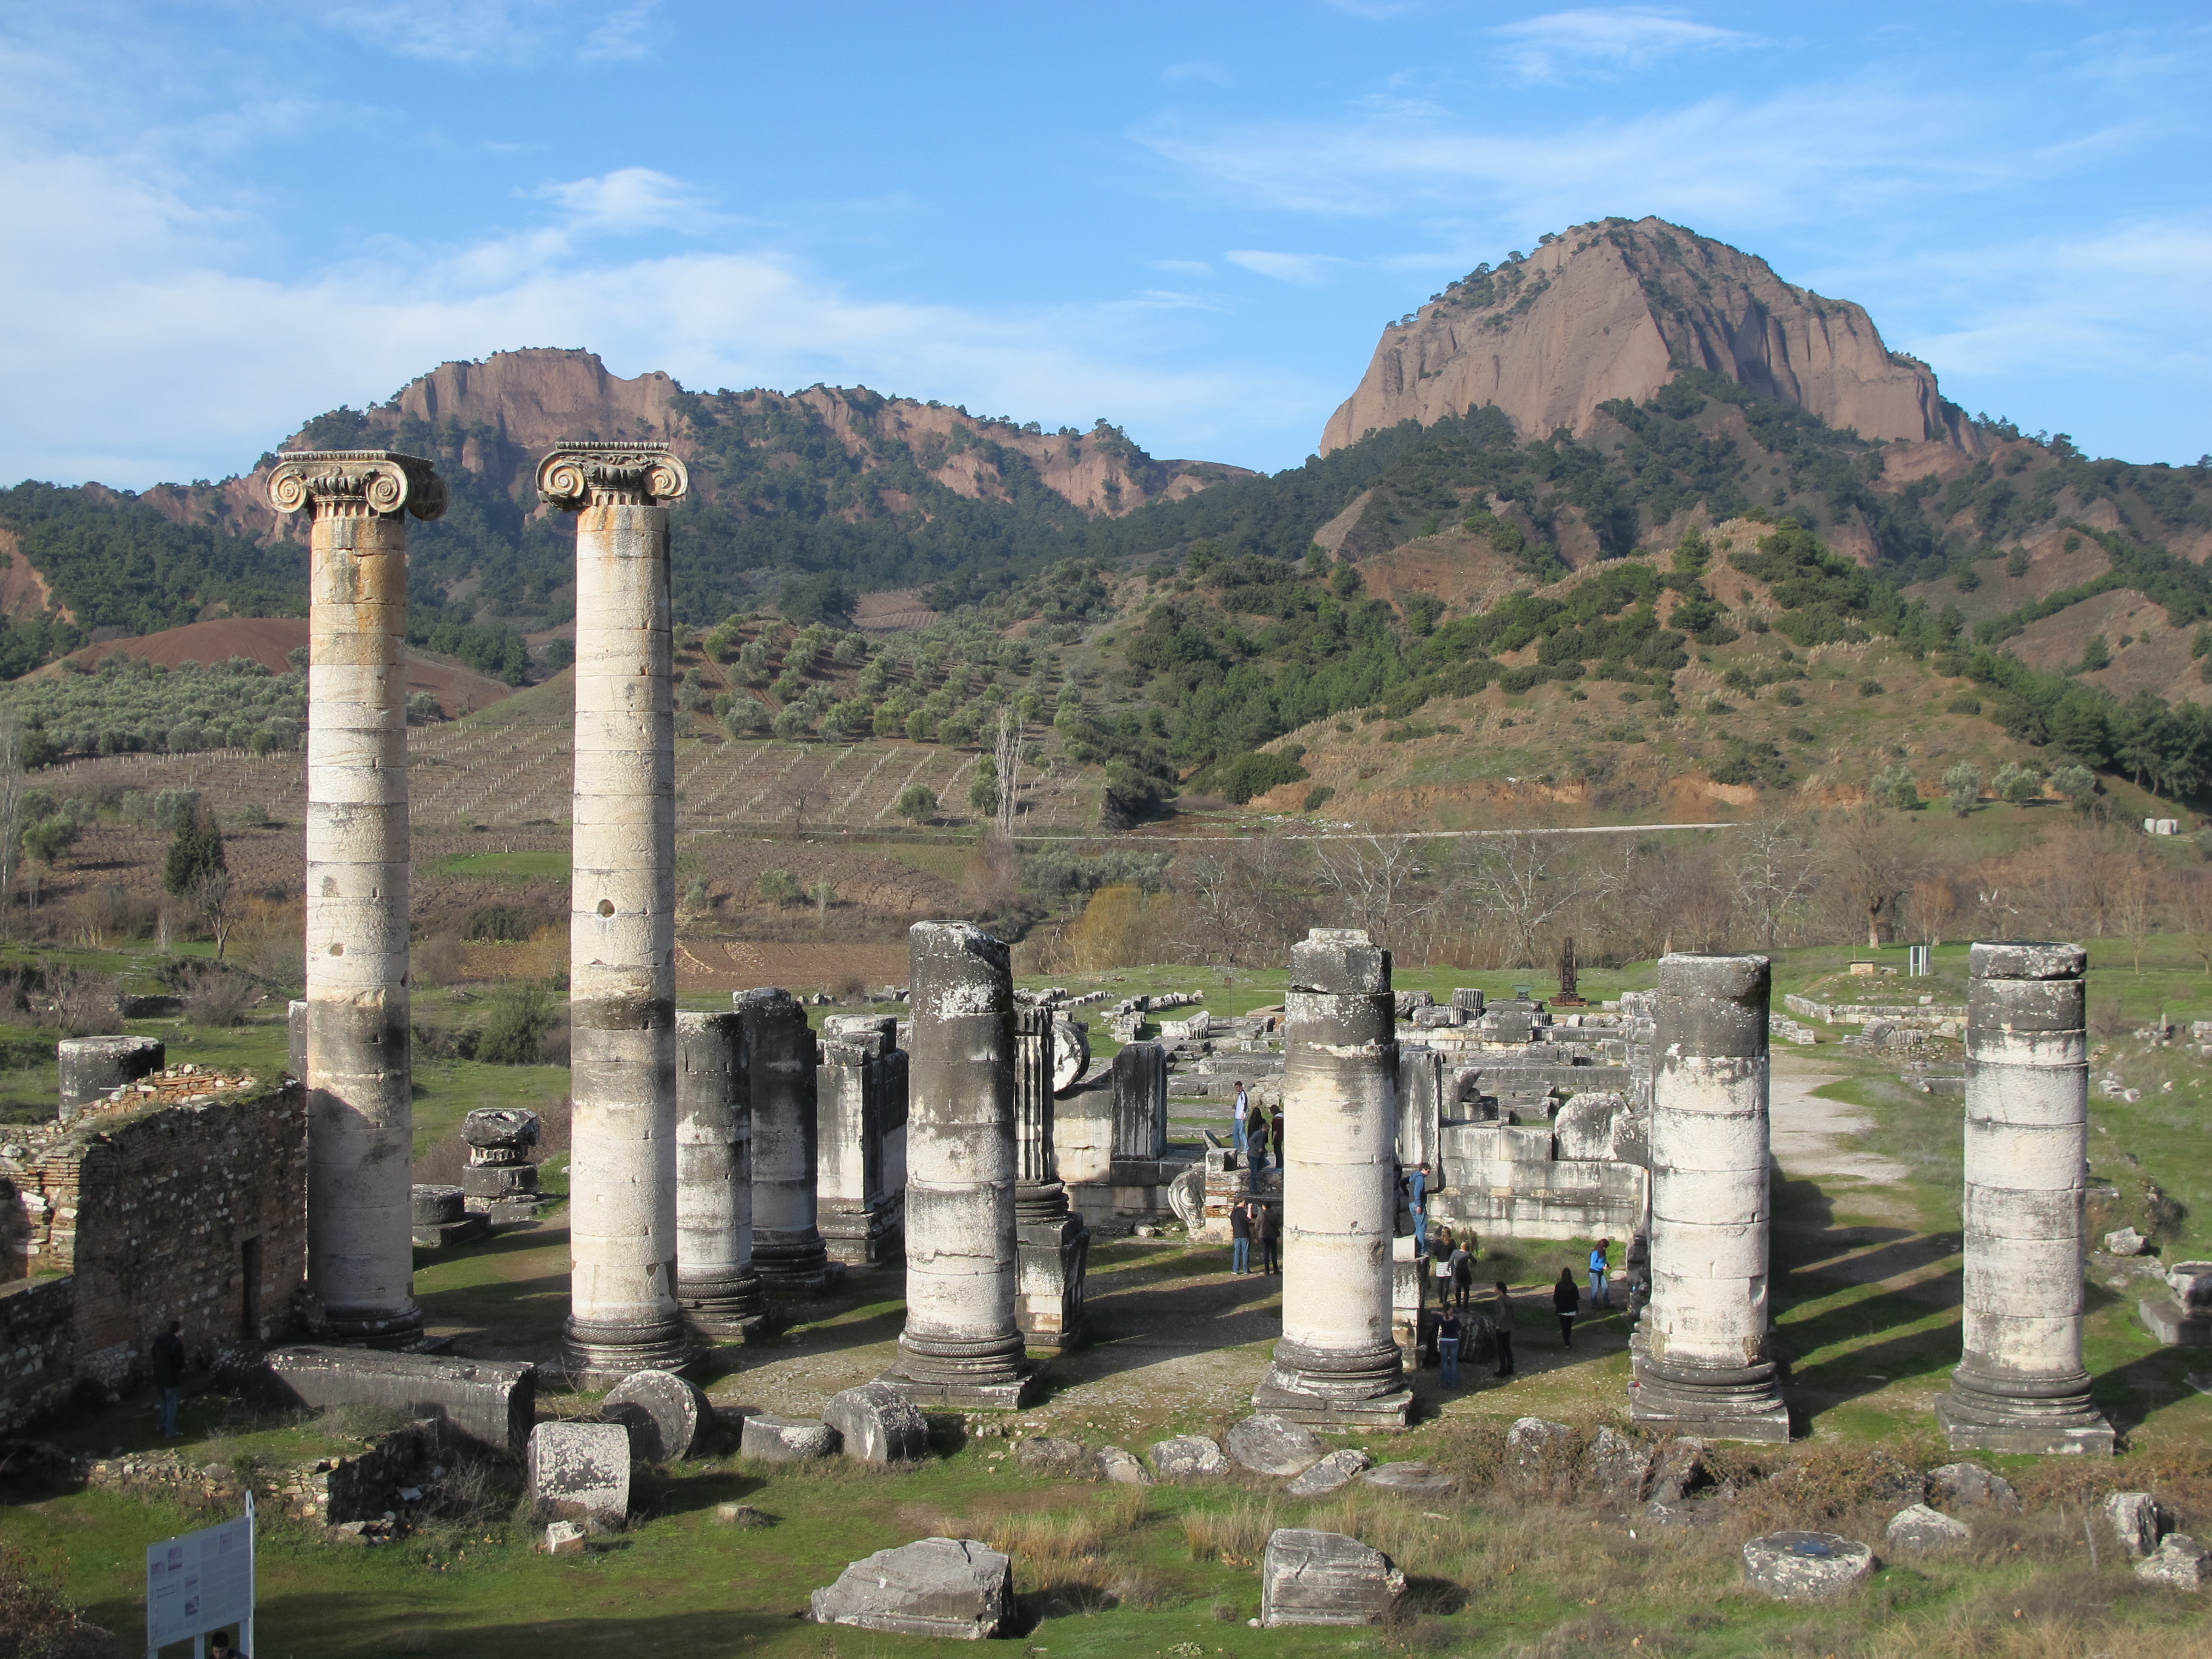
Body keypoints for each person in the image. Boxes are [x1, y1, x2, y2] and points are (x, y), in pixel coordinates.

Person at [151, 1318, 186, 1440]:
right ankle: (170, 1430)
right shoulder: (176, 1344)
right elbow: (179, 1363)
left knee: (163, 1401)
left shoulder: (159, 1341)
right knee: (172, 1403)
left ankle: (162, 1425)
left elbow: (153, 1355)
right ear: (178, 1330)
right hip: (170, 1378)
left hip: (159, 1376)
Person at [1491, 1281, 1517, 1378]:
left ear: (1499, 1290)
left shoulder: (1500, 1300)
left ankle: (1502, 1369)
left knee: (1501, 1348)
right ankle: (1510, 1367)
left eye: (1496, 1288)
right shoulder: (1509, 1299)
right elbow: (1514, 1311)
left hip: (1502, 1327)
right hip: (1509, 1326)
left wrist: (1498, 1324)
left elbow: (1503, 1313)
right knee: (1507, 1347)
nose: (1495, 1289)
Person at [1553, 1267, 1581, 1347]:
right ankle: (1567, 1340)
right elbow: (1577, 1297)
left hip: (1562, 1310)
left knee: (1564, 1327)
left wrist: (1557, 1303)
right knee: (1569, 1326)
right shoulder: (1573, 1285)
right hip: (1572, 1310)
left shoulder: (1559, 1285)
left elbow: (1556, 1298)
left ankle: (1566, 1342)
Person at [1436, 1306, 1463, 1388]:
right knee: (1453, 1362)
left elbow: (1433, 1314)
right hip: (1454, 1340)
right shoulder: (1455, 1319)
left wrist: (1439, 1313)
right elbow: (1460, 1327)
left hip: (1444, 1340)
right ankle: (1454, 1382)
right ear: (1450, 1310)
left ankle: (1444, 1382)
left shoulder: (1442, 1319)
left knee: (1444, 1362)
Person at [1431, 1226, 1456, 1306]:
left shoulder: (1438, 1242)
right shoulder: (1452, 1242)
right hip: (1448, 1263)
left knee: (1440, 1282)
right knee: (1447, 1283)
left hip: (1440, 1263)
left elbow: (1434, 1252)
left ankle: (1440, 1298)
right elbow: (1454, 1252)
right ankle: (1445, 1299)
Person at [1229, 1194, 1253, 1274]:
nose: (1245, 1204)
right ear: (1240, 1202)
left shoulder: (1233, 1212)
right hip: (1244, 1234)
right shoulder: (1242, 1212)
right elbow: (1248, 1219)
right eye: (1244, 1202)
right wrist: (1250, 1209)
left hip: (1236, 1234)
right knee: (1245, 1252)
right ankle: (1246, 1269)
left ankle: (1235, 1269)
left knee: (1237, 1252)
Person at [1450, 1236, 1474, 1311]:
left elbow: (1450, 1262)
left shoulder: (1455, 1252)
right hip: (1466, 1273)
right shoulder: (1467, 1254)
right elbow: (1474, 1260)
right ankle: (1465, 1306)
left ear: (1461, 1245)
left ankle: (1458, 1306)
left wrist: (1449, 1269)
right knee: (1466, 1290)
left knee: (1458, 1290)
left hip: (1457, 1272)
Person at [1256, 1196, 1279, 1275]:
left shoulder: (1261, 1215)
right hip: (1273, 1235)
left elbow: (1256, 1227)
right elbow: (1278, 1225)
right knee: (1274, 1253)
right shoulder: (1274, 1214)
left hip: (1263, 1236)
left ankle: (1267, 1270)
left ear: (1264, 1206)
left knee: (1266, 1253)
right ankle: (1276, 1269)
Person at [1409, 1161, 1430, 1248]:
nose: (1428, 1173)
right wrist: (1419, 1205)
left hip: (1411, 1203)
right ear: (1423, 1169)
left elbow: (1403, 1183)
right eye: (1428, 1171)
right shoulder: (1420, 1178)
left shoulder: (1413, 1177)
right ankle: (1421, 1249)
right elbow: (1417, 1192)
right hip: (1417, 1204)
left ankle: (1415, 1247)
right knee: (1422, 1227)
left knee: (1418, 1226)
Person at [1245, 1106, 1271, 1173]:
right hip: (1261, 1140)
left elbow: (1249, 1132)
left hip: (1253, 1140)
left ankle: (1255, 1168)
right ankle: (1256, 1168)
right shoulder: (1263, 1121)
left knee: (1255, 1155)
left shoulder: (1251, 1121)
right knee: (1260, 1156)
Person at [1589, 1238, 1612, 1310]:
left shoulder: (1603, 1253)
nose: (1605, 1249)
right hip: (1594, 1272)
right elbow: (1593, 1264)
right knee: (1595, 1288)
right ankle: (1594, 1304)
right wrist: (1602, 1267)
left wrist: (1607, 1265)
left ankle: (1607, 1303)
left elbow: (1602, 1261)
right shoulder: (1595, 1252)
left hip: (1600, 1272)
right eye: (1605, 1247)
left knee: (1605, 1286)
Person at [1232, 1082, 1249, 1151]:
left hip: (1241, 1117)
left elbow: (1245, 1105)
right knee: (1235, 1132)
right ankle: (1237, 1147)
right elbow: (1240, 1106)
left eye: (1238, 1088)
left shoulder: (1243, 1095)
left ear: (1241, 1087)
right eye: (1236, 1088)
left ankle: (1246, 1147)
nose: (1237, 1089)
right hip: (1237, 1116)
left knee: (1242, 1132)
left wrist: (1243, 1114)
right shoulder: (1240, 1096)